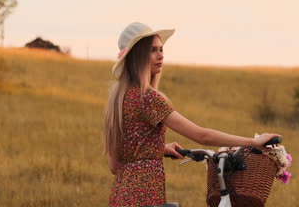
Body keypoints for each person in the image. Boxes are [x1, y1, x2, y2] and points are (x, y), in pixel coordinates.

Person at [104, 22, 281, 207]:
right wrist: (253, 142)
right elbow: (201, 135)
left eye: (161, 49)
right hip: (145, 198)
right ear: (138, 57)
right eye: (153, 50)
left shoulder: (121, 98)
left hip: (121, 197)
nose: (161, 55)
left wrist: (158, 149)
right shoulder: (148, 98)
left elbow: (115, 165)